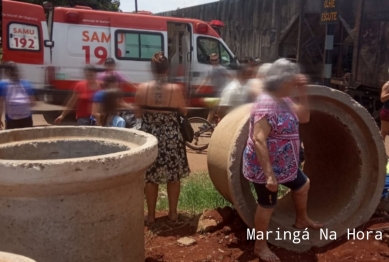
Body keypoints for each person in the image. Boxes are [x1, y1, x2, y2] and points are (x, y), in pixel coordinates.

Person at [242, 59, 323, 262]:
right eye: (292, 80)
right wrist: (269, 175)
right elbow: (259, 140)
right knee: (267, 204)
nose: (295, 83)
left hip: (285, 164)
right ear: (282, 81)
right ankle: (260, 246)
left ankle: (301, 219)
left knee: (303, 184)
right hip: (264, 167)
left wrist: (303, 91)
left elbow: (304, 117)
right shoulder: (266, 104)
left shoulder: (284, 99)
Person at [134, 51, 190, 225]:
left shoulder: (141, 88)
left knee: (150, 178)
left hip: (150, 137)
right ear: (167, 70)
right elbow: (184, 111)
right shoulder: (175, 89)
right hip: (171, 137)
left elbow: (137, 114)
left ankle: (150, 216)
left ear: (151, 69)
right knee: (173, 177)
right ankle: (173, 214)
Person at [196, 53, 234, 126]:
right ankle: (213, 123)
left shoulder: (222, 68)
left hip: (222, 91)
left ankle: (208, 123)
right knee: (215, 109)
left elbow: (230, 77)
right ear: (210, 60)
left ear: (218, 60)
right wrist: (199, 88)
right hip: (216, 91)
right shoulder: (210, 69)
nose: (214, 62)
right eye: (212, 60)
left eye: (216, 60)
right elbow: (205, 79)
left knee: (215, 109)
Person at [0, 62, 36, 130]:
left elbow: (0, 104)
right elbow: (33, 103)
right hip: (27, 118)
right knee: (27, 139)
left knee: (12, 139)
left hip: (11, 119)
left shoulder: (3, 84)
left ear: (6, 72)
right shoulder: (26, 83)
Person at [380, 74, 389, 140]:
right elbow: (382, 98)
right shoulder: (387, 85)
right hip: (387, 112)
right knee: (384, 133)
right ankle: (379, 149)